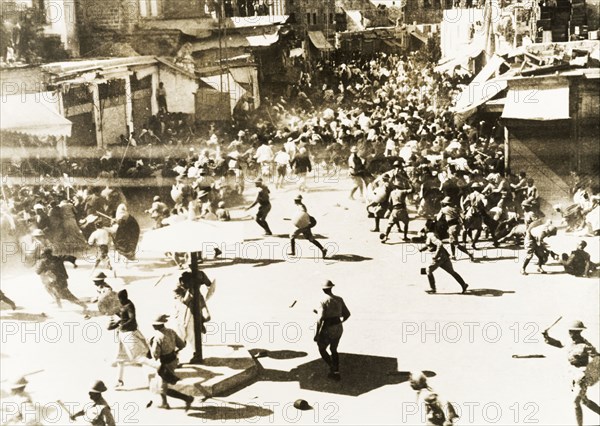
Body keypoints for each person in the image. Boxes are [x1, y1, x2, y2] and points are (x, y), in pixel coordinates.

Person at [543, 320, 600, 426]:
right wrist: (546, 337)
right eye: (570, 331)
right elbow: (559, 344)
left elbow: (598, 358)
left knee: (575, 402)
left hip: (582, 377)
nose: (571, 334)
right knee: (584, 401)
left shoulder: (585, 345)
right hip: (572, 376)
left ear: (579, 332)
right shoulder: (569, 342)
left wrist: (589, 375)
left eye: (574, 332)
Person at [148, 314, 194, 410]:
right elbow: (182, 345)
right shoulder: (171, 332)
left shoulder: (157, 337)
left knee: (162, 386)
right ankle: (164, 403)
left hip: (164, 364)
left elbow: (155, 355)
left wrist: (150, 345)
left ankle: (186, 398)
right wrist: (173, 350)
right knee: (161, 383)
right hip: (173, 360)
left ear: (157, 325)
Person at [109, 289, 149, 390]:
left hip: (129, 334)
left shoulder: (129, 305)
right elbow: (118, 318)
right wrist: (114, 323)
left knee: (140, 356)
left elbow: (132, 319)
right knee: (120, 359)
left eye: (120, 299)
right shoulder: (120, 305)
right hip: (122, 336)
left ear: (123, 298)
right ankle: (119, 381)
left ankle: (159, 372)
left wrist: (122, 325)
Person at [314, 280, 350, 381]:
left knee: (321, 348)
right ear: (331, 288)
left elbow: (320, 319)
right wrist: (340, 322)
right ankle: (336, 370)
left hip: (328, 328)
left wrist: (317, 334)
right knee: (333, 349)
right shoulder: (339, 299)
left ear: (323, 289)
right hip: (338, 327)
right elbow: (347, 314)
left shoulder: (323, 301)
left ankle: (331, 366)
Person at [419, 221, 469, 294]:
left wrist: (436, 255)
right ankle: (463, 285)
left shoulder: (431, 235)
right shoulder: (434, 234)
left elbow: (439, 244)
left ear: (428, 227)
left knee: (428, 270)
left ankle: (432, 288)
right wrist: (422, 249)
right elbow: (431, 245)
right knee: (452, 272)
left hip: (439, 257)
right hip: (444, 255)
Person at [437, 197, 475, 262]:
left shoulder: (443, 209)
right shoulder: (456, 208)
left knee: (455, 243)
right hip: (457, 225)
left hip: (451, 226)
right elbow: (463, 217)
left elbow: (438, 218)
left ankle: (469, 254)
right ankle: (453, 255)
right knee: (451, 241)